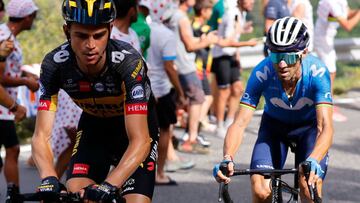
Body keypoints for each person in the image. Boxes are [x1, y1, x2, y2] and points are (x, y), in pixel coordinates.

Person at [31, 1, 159, 202]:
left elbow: (140, 140)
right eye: (81, 36)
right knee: (78, 192)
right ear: (67, 31)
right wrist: (49, 177)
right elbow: (41, 135)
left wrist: (109, 185)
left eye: (98, 35)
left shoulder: (128, 63)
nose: (90, 45)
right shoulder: (54, 65)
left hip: (134, 131)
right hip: (95, 126)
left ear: (110, 29)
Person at [213, 17, 334, 202]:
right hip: (274, 129)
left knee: (309, 187)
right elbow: (239, 123)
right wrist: (227, 157)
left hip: (309, 130)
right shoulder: (262, 73)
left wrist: (314, 159)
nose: (282, 64)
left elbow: (325, 126)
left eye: (289, 57)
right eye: (276, 56)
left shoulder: (318, 73)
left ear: (304, 53)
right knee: (261, 189)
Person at [147, 0, 188, 185]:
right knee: (164, 131)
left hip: (140, 87)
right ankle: (159, 173)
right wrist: (180, 92)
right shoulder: (166, 34)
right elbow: (169, 67)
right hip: (162, 90)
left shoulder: (138, 29)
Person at [168, 0, 218, 153]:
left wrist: (202, 40)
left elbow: (183, 40)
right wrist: (207, 41)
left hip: (173, 64)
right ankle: (191, 139)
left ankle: (169, 138)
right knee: (197, 99)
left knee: (175, 102)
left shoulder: (170, 15)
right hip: (185, 66)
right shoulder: (182, 18)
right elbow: (190, 46)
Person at [0, 0, 38, 196]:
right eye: (33, 15)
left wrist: (24, 75)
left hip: (5, 106)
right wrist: (24, 82)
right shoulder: (5, 38)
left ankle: (12, 192)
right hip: (3, 106)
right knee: (13, 148)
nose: (34, 20)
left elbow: (8, 70)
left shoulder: (9, 37)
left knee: (12, 149)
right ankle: (12, 194)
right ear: (26, 16)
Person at [211, 0, 258, 138]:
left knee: (238, 89)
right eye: (249, 1)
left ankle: (229, 122)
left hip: (231, 55)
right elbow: (227, 41)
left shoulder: (240, 13)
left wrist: (238, 56)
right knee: (224, 92)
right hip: (222, 55)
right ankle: (219, 125)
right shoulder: (232, 14)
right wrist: (247, 44)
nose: (252, 3)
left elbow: (234, 36)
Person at [313, 0, 360, 122]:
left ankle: (326, 105)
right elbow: (347, 25)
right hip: (322, 39)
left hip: (327, 39)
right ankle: (327, 108)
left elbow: (347, 13)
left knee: (329, 73)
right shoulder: (330, 2)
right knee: (329, 73)